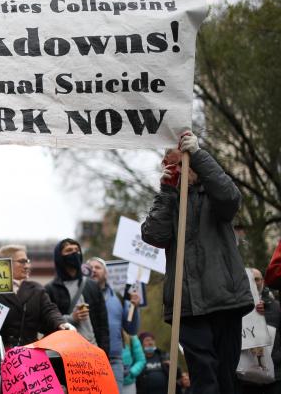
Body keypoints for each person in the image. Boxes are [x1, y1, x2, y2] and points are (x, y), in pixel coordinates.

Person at [141, 132, 254, 394]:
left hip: (224, 298)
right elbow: (153, 235)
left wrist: (201, 156)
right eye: (170, 165)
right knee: (204, 377)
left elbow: (230, 199)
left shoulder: (213, 194)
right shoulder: (170, 202)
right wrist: (167, 191)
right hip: (187, 305)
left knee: (225, 376)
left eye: (181, 163)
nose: (177, 170)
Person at [0, 245, 69, 371]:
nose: (27, 266)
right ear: (5, 264)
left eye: (28, 261)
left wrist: (61, 323)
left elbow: (49, 310)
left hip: (30, 357)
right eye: (22, 261)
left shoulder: (36, 289)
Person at [44, 239, 109, 356]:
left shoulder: (92, 285)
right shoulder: (50, 289)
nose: (74, 253)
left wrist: (104, 353)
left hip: (92, 352)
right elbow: (46, 324)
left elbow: (103, 325)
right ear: (59, 257)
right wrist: (71, 319)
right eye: (69, 250)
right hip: (66, 355)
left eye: (77, 250)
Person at [87, 256, 141, 391]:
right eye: (90, 268)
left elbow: (132, 329)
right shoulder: (81, 296)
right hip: (86, 360)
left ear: (106, 273)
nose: (93, 270)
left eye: (97, 267)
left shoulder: (118, 298)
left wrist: (134, 309)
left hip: (114, 360)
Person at [240, 268, 281, 393]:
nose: (253, 282)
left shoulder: (277, 307)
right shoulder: (237, 307)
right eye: (250, 279)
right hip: (245, 376)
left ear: (263, 281)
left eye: (256, 279)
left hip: (276, 374)